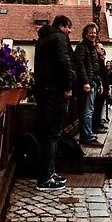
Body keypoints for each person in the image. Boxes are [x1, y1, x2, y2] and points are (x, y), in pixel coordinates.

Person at [33, 15, 74, 191]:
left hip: (43, 91)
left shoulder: (43, 39)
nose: (70, 31)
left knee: (47, 133)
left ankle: (49, 172)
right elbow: (64, 63)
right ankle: (45, 177)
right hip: (55, 92)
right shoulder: (60, 38)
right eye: (69, 27)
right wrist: (68, 87)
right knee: (52, 134)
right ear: (62, 26)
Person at [74, 23, 103, 147]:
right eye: (91, 32)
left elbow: (95, 67)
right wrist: (86, 82)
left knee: (89, 110)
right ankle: (87, 136)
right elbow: (80, 65)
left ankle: (88, 134)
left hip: (93, 82)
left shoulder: (91, 47)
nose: (93, 35)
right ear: (85, 33)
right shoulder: (82, 47)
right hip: (88, 84)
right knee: (87, 111)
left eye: (95, 33)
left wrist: (99, 82)